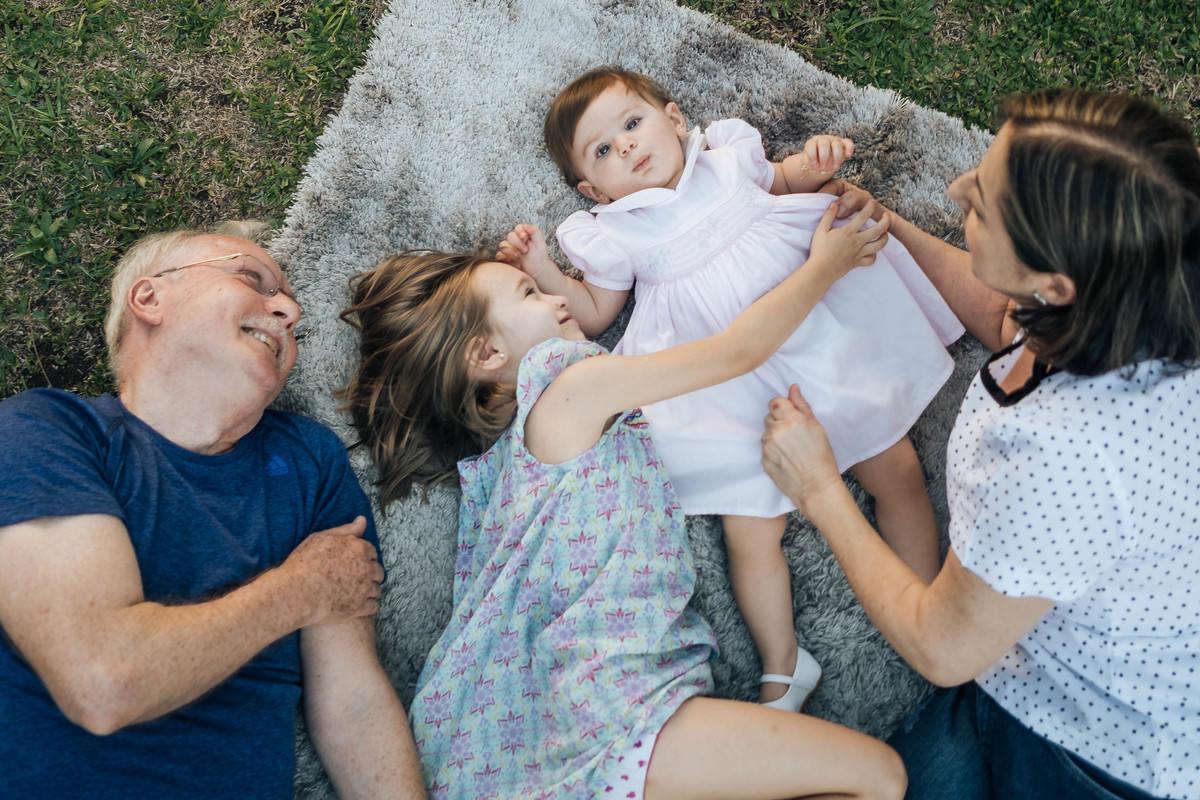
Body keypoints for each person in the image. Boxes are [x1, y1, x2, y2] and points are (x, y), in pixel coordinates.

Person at [337, 202, 905, 799]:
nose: (557, 300)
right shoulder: (570, 387)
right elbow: (736, 351)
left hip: (564, 724)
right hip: (608, 708)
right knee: (878, 776)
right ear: (486, 356)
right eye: (531, 294)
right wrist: (824, 268)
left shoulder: (498, 473)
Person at [761, 89, 1200, 800]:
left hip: (1104, 750)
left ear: (1058, 284)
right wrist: (890, 227)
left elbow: (942, 647)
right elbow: (1010, 319)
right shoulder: (1139, 295)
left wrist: (817, 488)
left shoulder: (1059, 457)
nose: (953, 186)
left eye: (981, 204)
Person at [497, 66, 964, 710]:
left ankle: (921, 603)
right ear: (591, 189)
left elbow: (787, 179)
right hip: (722, 379)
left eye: (633, 125)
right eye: (603, 151)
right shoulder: (612, 230)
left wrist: (812, 159)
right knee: (749, 524)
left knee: (895, 464)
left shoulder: (726, 158)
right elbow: (599, 315)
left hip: (814, 334)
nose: (627, 147)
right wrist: (544, 268)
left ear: (677, 119)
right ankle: (782, 662)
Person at [0, 225, 426, 799]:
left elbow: (352, 701)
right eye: (252, 279)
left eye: (291, 309)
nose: (289, 310)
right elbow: (104, 682)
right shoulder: (48, 431)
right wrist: (300, 591)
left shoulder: (309, 459)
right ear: (150, 298)